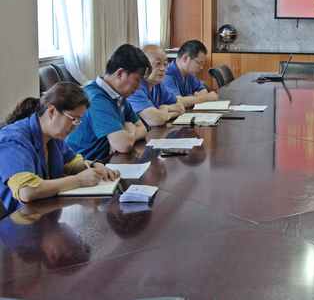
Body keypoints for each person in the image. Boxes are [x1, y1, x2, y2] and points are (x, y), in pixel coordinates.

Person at [0, 83, 119, 214]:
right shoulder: (13, 140)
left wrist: (94, 166)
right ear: (52, 111)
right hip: (17, 220)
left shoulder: (53, 136)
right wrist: (79, 180)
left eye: (78, 120)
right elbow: (27, 191)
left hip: (44, 213)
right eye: (73, 119)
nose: (75, 127)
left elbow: (71, 163)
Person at [66, 44, 150, 161]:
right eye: (137, 80)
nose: (139, 86)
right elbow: (123, 145)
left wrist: (128, 133)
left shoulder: (118, 96)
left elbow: (143, 128)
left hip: (106, 160)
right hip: (85, 164)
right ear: (120, 73)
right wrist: (129, 129)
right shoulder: (96, 98)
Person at [127, 45, 186, 126]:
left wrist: (165, 109)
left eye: (165, 64)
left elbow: (181, 107)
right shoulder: (135, 87)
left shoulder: (158, 85)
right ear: (144, 65)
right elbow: (155, 120)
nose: (163, 68)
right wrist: (165, 114)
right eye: (158, 64)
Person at [163, 40, 218, 108]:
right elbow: (177, 102)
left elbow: (202, 89)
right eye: (199, 63)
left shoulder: (189, 73)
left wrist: (192, 99)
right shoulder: (166, 75)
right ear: (185, 58)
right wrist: (206, 98)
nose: (201, 67)